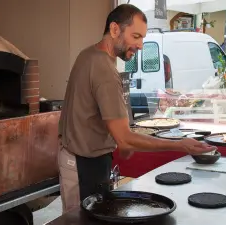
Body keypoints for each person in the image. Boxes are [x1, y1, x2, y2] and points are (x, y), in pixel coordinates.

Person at [57, 4, 215, 213]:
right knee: (83, 219)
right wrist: (181, 145)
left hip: (82, 159)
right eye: (136, 36)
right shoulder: (104, 70)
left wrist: (122, 141)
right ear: (115, 30)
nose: (141, 45)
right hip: (83, 165)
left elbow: (115, 134)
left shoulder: (88, 55)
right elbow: (125, 139)